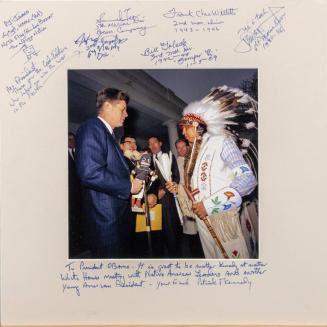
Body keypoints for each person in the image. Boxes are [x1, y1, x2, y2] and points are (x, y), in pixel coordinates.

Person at [166, 87, 258, 259]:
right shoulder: (193, 153)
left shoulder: (222, 141)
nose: (182, 132)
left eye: (184, 127)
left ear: (196, 125)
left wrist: (209, 205)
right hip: (202, 220)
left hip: (222, 219)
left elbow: (247, 180)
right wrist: (178, 189)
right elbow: (196, 187)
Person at [75, 88, 143, 259]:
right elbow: (90, 173)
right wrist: (129, 186)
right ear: (107, 106)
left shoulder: (108, 135)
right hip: (106, 224)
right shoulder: (92, 128)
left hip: (115, 220)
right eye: (123, 109)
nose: (126, 114)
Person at [148, 136, 182, 258]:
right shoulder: (148, 161)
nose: (152, 145)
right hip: (154, 202)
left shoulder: (169, 156)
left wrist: (165, 190)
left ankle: (176, 258)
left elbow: (176, 178)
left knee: (171, 231)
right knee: (157, 234)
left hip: (168, 199)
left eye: (155, 142)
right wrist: (154, 193)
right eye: (150, 144)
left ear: (160, 143)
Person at [175, 138, 204, 258]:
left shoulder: (195, 158)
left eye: (183, 147)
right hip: (186, 199)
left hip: (199, 196)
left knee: (203, 229)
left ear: (188, 146)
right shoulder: (177, 161)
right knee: (191, 231)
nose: (181, 150)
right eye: (178, 148)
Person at [68, 132, 84, 257]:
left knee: (81, 218)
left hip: (82, 194)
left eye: (73, 139)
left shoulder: (79, 153)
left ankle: (82, 243)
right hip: (70, 195)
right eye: (69, 139)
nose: (72, 141)